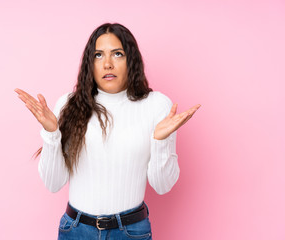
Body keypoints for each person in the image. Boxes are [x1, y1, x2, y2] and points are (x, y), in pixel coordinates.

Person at [14, 23, 200, 240]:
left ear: (131, 60)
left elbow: (162, 186)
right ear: (89, 63)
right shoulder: (69, 104)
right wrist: (51, 133)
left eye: (118, 54)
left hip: (131, 232)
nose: (108, 64)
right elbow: (53, 183)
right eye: (99, 55)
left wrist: (160, 141)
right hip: (76, 231)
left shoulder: (156, 105)